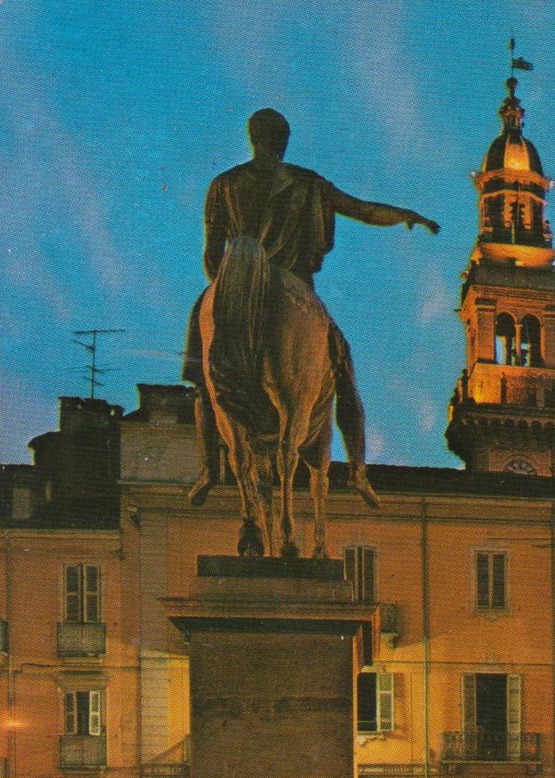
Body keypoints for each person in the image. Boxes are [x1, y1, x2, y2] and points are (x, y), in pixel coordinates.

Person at [182, 108, 438, 508]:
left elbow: (211, 250)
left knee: (203, 380)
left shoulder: (223, 184)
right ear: (283, 142)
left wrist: (225, 291)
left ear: (252, 138)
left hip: (231, 290)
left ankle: (208, 469)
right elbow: (364, 210)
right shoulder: (306, 183)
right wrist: (406, 216)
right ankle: (357, 471)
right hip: (295, 288)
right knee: (343, 371)